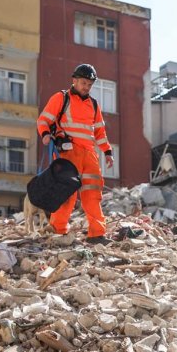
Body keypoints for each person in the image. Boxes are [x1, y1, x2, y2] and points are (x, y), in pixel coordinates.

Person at [36, 64, 114, 244]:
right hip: (68, 153)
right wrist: (46, 135)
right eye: (84, 83)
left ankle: (96, 234)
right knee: (65, 193)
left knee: (93, 193)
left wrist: (108, 152)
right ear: (74, 81)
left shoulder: (94, 105)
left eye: (89, 84)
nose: (86, 87)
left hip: (89, 155)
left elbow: (100, 133)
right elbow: (43, 120)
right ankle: (58, 228)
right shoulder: (61, 98)